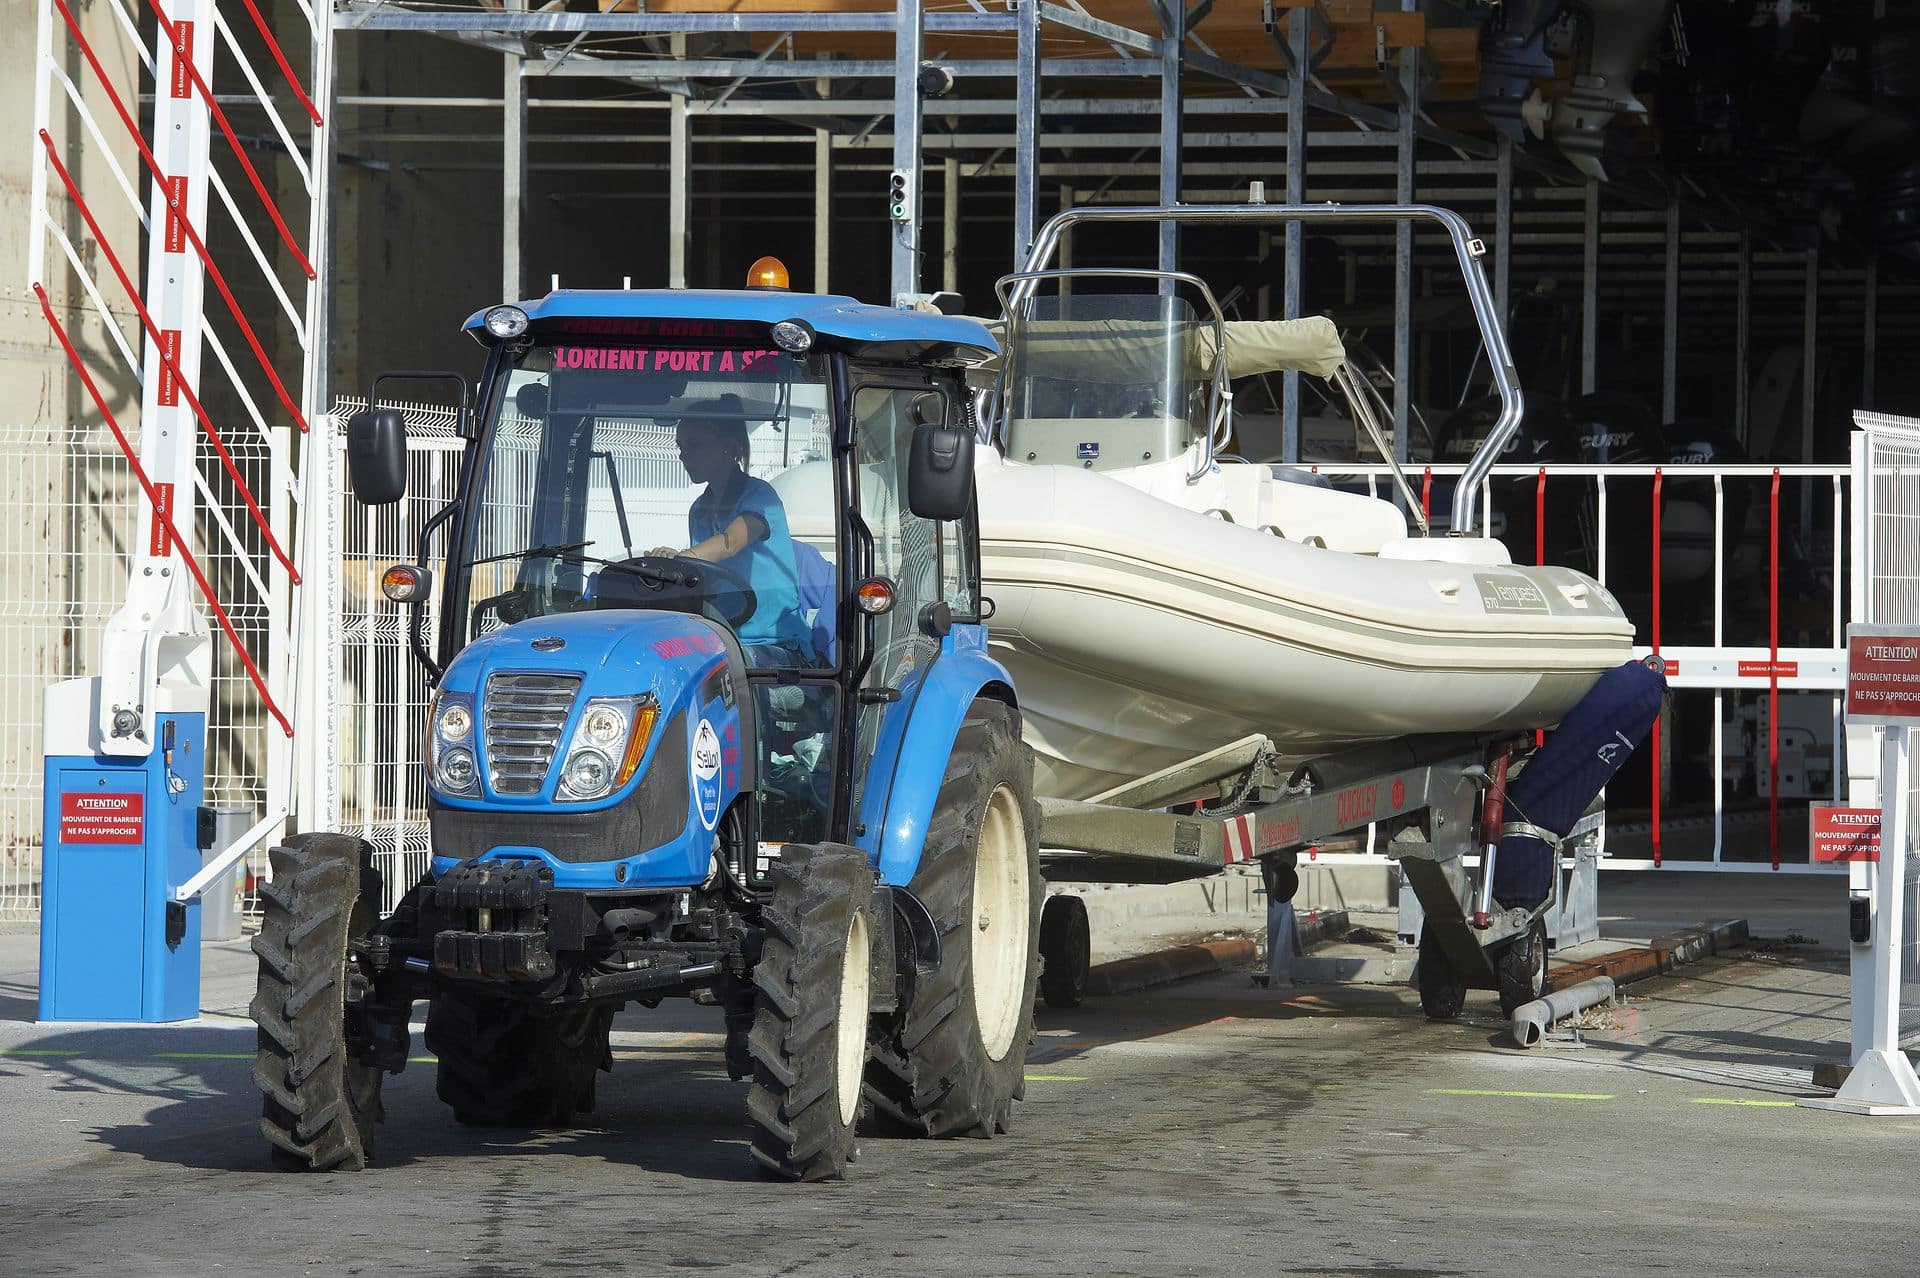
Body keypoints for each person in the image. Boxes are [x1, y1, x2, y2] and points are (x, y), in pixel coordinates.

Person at [657, 395, 813, 663]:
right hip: (724, 639)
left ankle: (786, 697)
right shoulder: (699, 510)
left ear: (729, 447)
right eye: (680, 446)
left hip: (777, 646)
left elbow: (730, 542)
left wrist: (682, 559)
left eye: (693, 445)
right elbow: (702, 575)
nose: (683, 455)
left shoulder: (761, 497)